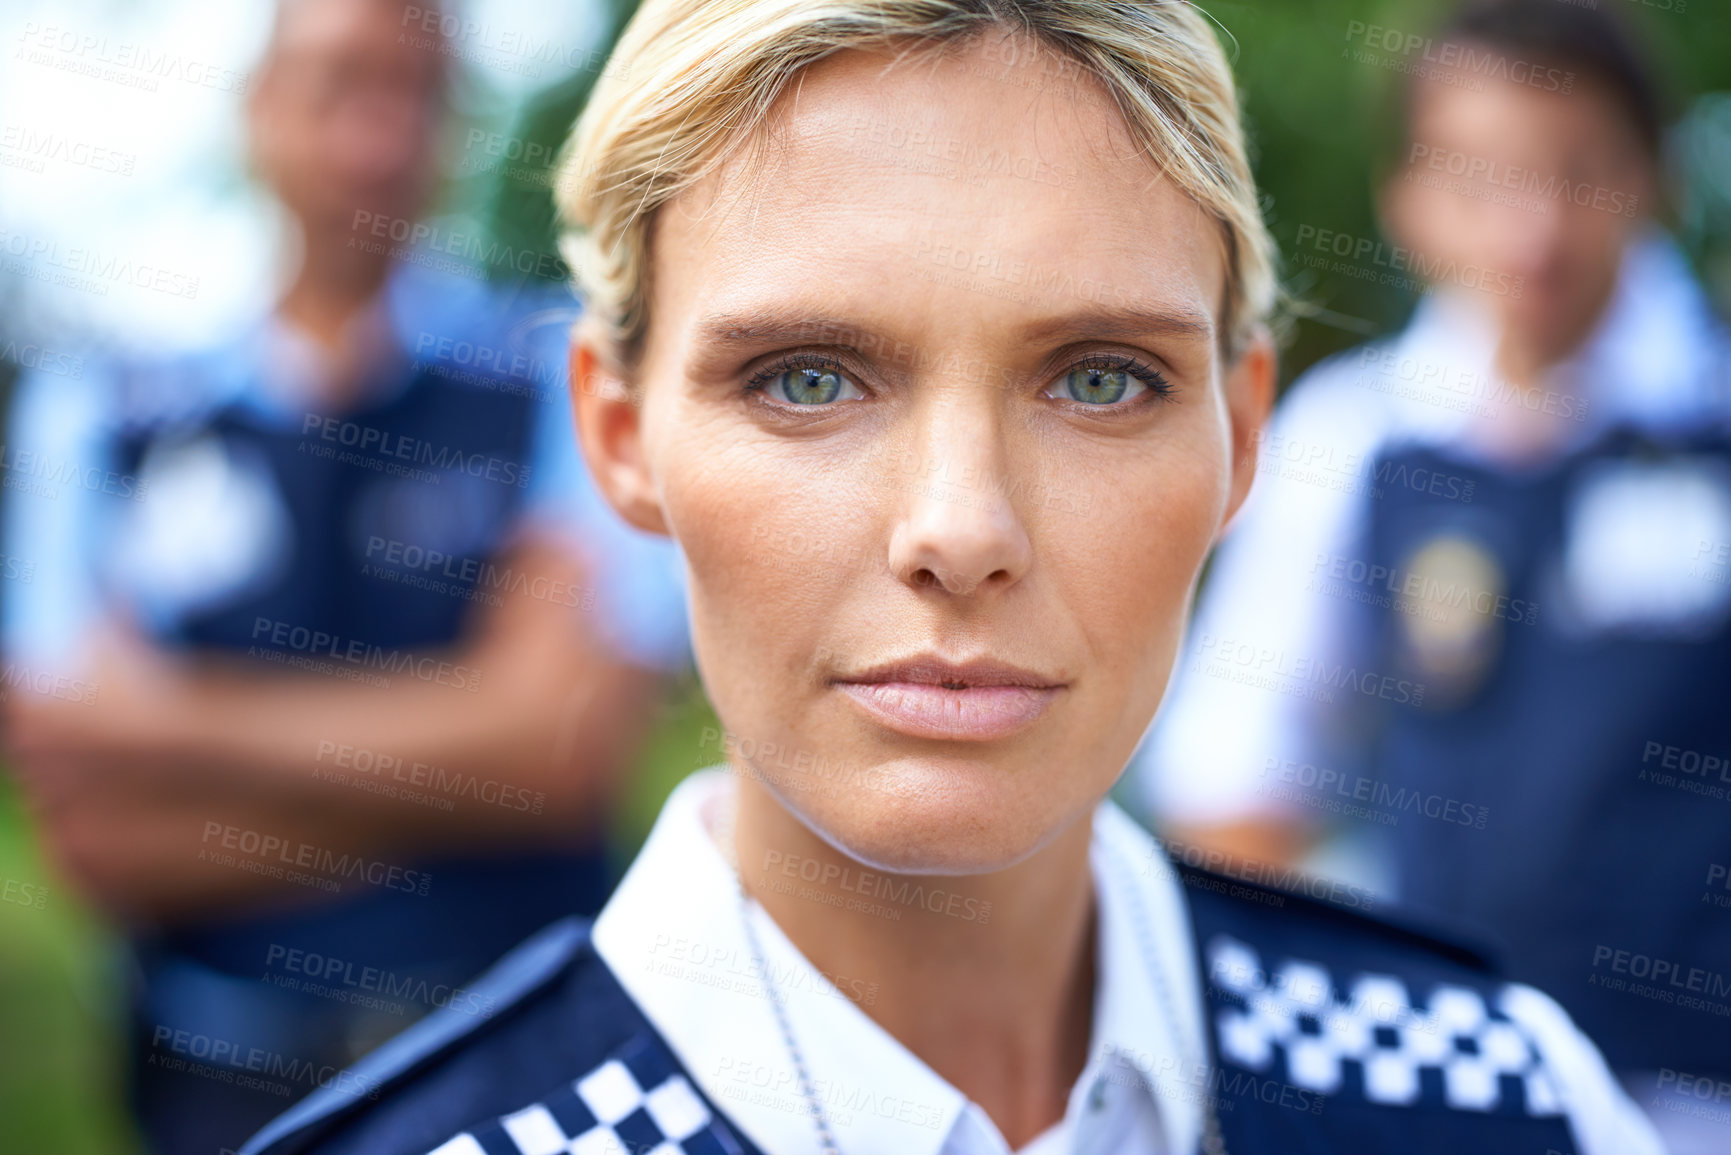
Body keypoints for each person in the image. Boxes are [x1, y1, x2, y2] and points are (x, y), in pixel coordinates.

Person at [237, 1, 1662, 1152]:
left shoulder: (1502, 1093)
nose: (960, 522)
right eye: (806, 377)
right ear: (618, 432)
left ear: (1239, 435)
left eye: (1097, 378)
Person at [0, 1, 686, 1152]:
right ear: (254, 111)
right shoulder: (101, 415)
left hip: (520, 1071)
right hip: (212, 1082)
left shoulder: (563, 377)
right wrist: (463, 766)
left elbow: (561, 751)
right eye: (334, 86)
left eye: (410, 93)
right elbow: (93, 824)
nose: (372, 137)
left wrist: (163, 728)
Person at [1131, 1, 1731, 1149]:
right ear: (1406, 201)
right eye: (1484, 179)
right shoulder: (1357, 442)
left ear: (1655, 176)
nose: (1535, 230)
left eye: (1580, 173)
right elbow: (1233, 774)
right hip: (1462, 1092)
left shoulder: (1714, 426)